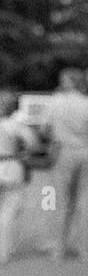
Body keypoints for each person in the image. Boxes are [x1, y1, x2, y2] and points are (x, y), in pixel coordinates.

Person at [45, 68, 88, 260]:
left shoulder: (54, 103)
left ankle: (58, 248)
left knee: (59, 201)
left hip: (62, 152)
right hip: (87, 152)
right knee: (86, 202)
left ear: (66, 82)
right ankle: (85, 250)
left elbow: (46, 128)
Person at [0, 90, 39, 264]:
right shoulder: (15, 125)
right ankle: (3, 251)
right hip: (11, 165)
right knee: (9, 210)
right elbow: (33, 143)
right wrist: (24, 153)